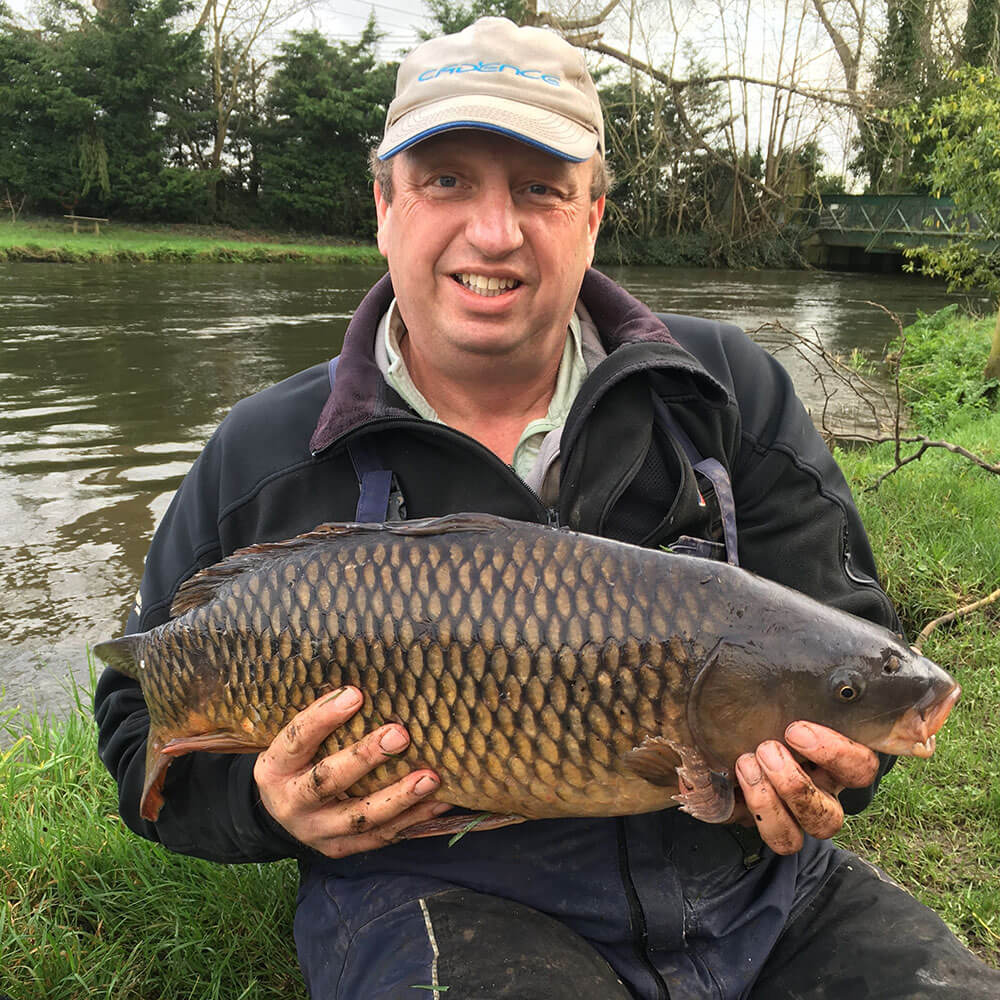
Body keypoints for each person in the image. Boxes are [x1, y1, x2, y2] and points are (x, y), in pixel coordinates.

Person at [95, 17, 999, 999]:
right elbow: (138, 721)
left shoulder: (723, 394)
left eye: (539, 187)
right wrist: (268, 808)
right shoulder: (265, 452)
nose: (494, 230)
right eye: (446, 181)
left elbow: (847, 662)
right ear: (384, 205)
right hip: (429, 897)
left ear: (592, 213)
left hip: (757, 886)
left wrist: (831, 774)